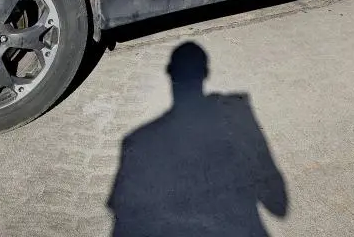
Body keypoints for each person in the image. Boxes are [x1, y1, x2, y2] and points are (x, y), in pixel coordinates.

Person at [107, 42, 288, 236]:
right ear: (206, 73)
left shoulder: (137, 141)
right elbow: (278, 206)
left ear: (170, 73)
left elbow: (125, 221)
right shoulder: (230, 124)